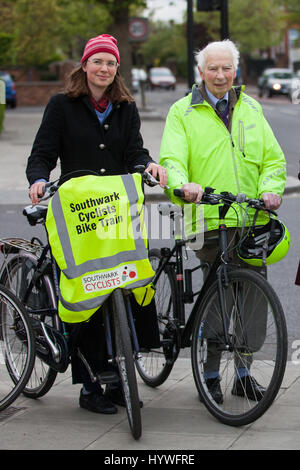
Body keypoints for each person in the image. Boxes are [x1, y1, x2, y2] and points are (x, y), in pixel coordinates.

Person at [26, 33, 167, 414]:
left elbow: (135, 152)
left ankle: (124, 379)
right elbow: (42, 154)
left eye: (110, 63)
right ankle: (89, 387)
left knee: (131, 285)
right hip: (80, 215)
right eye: (97, 62)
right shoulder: (61, 105)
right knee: (87, 293)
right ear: (84, 65)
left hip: (119, 210)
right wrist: (38, 179)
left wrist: (148, 165)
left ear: (116, 69)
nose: (103, 69)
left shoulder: (126, 107)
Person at [159, 40, 286, 404]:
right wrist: (184, 186)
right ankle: (210, 374)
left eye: (226, 68)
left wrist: (271, 190)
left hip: (250, 218)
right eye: (212, 68)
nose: (219, 75)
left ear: (236, 71)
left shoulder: (252, 108)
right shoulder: (182, 112)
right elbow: (171, 159)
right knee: (217, 293)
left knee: (253, 297)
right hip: (207, 219)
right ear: (201, 72)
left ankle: (243, 373)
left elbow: (273, 161)